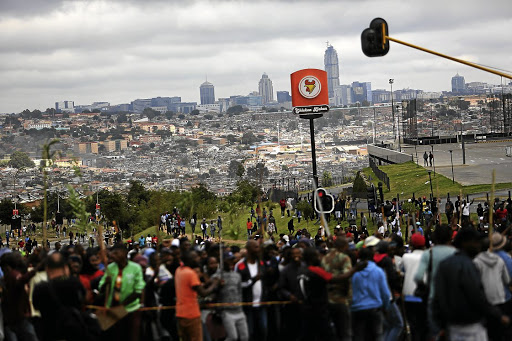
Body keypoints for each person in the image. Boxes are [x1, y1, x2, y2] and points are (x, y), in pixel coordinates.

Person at [433, 228, 510, 340]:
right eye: (475, 241)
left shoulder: (444, 264)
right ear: (465, 243)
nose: (478, 245)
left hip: (451, 326)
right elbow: (476, 295)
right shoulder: (467, 265)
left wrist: (438, 325)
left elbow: (437, 296)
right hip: (471, 326)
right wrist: (498, 315)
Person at [414, 224, 456, 338]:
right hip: (453, 299)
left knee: (435, 332)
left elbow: (418, 277)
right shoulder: (455, 253)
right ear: (450, 237)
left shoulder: (429, 253)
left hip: (434, 297)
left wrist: (425, 286)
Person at [98, 243, 146, 341]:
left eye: (116, 253)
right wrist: (105, 283)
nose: (112, 255)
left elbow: (138, 290)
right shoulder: (110, 268)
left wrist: (121, 306)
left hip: (130, 309)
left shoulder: (135, 268)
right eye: (112, 253)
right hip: (112, 309)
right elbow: (101, 288)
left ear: (124, 253)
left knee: (132, 336)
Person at [175, 250, 220, 341]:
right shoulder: (191, 274)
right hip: (192, 314)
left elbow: (191, 287)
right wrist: (215, 284)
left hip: (180, 312)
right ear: (189, 260)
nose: (198, 259)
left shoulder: (179, 270)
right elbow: (203, 293)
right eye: (195, 257)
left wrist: (208, 282)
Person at [351, 247, 391, 341]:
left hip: (358, 309)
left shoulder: (354, 272)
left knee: (359, 336)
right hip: (375, 308)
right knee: (377, 335)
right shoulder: (378, 271)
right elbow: (385, 292)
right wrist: (386, 307)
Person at [212, 252, 249, 341]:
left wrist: (240, 305)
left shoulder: (237, 275)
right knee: (233, 337)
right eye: (229, 260)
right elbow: (213, 291)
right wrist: (218, 286)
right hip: (226, 311)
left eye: (232, 260)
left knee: (245, 337)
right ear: (223, 261)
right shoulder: (217, 276)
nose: (231, 262)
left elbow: (240, 292)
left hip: (239, 310)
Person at [235, 240, 267, 341]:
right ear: (249, 249)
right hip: (247, 305)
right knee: (249, 332)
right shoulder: (240, 266)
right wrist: (252, 281)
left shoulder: (261, 263)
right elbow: (238, 285)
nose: (258, 250)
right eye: (256, 247)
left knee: (263, 330)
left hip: (261, 304)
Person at [402, 233, 427, 341]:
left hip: (408, 295)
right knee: (423, 324)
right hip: (424, 295)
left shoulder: (406, 257)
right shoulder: (428, 256)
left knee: (412, 325)